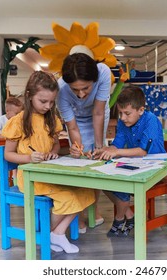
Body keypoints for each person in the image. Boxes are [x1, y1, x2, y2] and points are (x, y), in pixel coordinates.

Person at [2, 71, 95, 253]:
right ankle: (52, 234)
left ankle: (56, 233)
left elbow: (54, 146)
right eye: (43, 101)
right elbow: (8, 154)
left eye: (52, 102)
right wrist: (29, 158)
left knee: (87, 191)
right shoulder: (18, 121)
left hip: (50, 174)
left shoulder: (51, 120)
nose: (48, 106)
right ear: (29, 96)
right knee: (69, 198)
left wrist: (57, 152)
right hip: (30, 179)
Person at [94, 85, 166, 237]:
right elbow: (117, 143)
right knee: (101, 180)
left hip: (157, 167)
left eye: (127, 113)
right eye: (120, 113)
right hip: (135, 165)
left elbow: (142, 151)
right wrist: (108, 150)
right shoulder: (123, 122)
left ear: (140, 110)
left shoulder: (151, 120)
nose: (122, 118)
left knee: (120, 187)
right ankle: (129, 214)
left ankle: (119, 218)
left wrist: (116, 152)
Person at [57, 52, 111, 232]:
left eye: (86, 88)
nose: (80, 95)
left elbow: (98, 113)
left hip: (98, 113)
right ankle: (78, 214)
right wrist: (77, 149)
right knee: (79, 162)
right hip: (77, 120)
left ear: (93, 80)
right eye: (75, 89)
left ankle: (93, 211)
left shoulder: (102, 72)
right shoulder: (61, 89)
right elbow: (72, 127)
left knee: (96, 160)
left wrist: (99, 146)